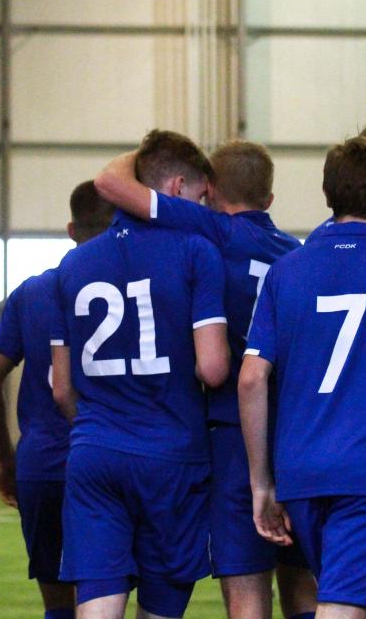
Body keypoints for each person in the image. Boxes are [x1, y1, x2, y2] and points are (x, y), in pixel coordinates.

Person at [94, 139, 316, 619]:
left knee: (247, 589)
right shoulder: (296, 253)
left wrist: (149, 151)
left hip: (234, 432)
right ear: (270, 199)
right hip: (298, 434)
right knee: (304, 584)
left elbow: (110, 182)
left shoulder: (212, 231)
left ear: (210, 192)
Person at [240, 136, 366, 619]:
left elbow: (251, 380)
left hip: (300, 473)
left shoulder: (285, 271)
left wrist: (261, 484)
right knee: (344, 607)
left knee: (352, 602)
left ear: (327, 193)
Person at [50, 129, 231, 619]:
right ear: (175, 188)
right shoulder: (196, 251)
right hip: (172, 454)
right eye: (200, 196)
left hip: (95, 453)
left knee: (98, 602)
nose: (203, 208)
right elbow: (213, 368)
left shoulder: (73, 265)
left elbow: (61, 388)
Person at [0, 180, 115, 619]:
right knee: (108, 596)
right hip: (112, 459)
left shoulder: (32, 293)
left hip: (44, 465)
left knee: (58, 603)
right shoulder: (136, 289)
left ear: (71, 229)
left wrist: (5, 457)